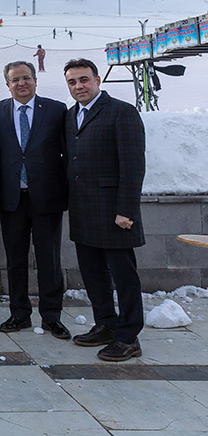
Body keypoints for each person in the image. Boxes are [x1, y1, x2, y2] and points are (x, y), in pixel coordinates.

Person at [64, 58, 146, 361]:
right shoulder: (72, 116)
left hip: (114, 214)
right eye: (72, 82)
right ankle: (106, 324)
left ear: (98, 80)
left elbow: (133, 165)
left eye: (83, 80)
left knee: (124, 277)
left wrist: (126, 210)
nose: (78, 86)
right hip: (84, 211)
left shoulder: (122, 112)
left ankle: (128, 337)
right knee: (94, 274)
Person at [0, 62, 70, 339]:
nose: (21, 83)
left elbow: (68, 152)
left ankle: (52, 316)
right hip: (12, 199)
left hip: (47, 198)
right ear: (7, 84)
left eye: (26, 78)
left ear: (35, 81)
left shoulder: (56, 110)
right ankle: (19, 313)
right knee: (15, 260)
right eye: (15, 80)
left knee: (49, 260)